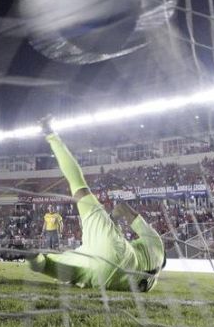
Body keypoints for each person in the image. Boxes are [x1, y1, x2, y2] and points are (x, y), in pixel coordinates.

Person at [29, 117, 166, 292]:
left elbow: (122, 208)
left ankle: (50, 134)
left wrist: (113, 219)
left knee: (78, 185)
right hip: (108, 278)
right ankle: (32, 258)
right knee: (49, 265)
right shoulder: (151, 284)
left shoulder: (157, 246)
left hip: (117, 251)